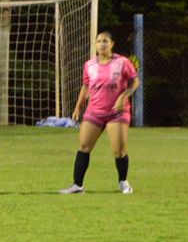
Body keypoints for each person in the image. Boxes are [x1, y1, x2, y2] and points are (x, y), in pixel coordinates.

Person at [60, 31, 140, 194]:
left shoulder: (122, 62)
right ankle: (77, 185)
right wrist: (78, 106)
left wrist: (123, 96)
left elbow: (135, 82)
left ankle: (123, 182)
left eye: (105, 41)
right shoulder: (89, 65)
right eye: (99, 41)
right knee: (84, 146)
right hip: (95, 111)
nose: (102, 44)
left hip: (117, 112)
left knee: (119, 151)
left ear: (112, 44)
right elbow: (86, 85)